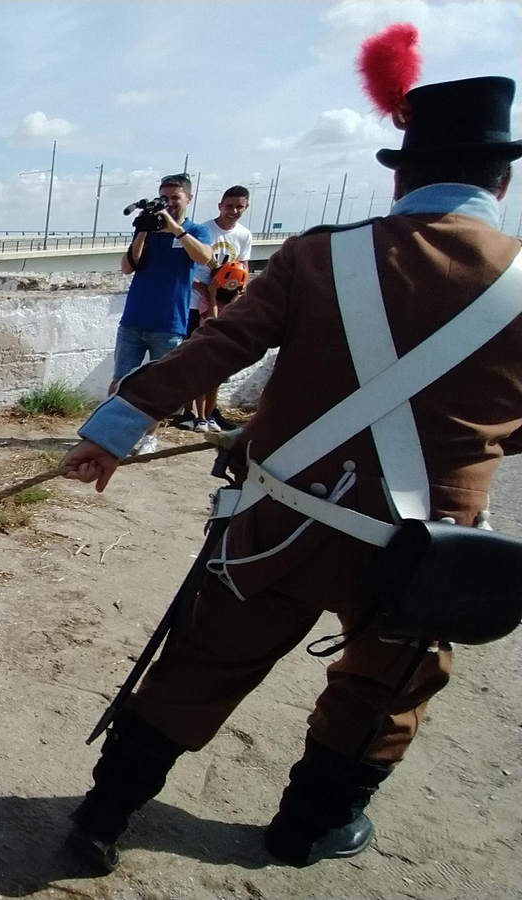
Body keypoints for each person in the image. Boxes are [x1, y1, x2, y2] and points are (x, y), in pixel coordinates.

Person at [58, 61, 522, 873]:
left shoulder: (318, 259)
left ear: (402, 175)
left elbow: (215, 347)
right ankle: (309, 829)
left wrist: (115, 431)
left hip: (285, 524)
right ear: (504, 180)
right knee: (386, 692)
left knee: (198, 663)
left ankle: (102, 817)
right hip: (426, 554)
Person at [113, 174, 214, 454]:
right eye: (164, 198)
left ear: (188, 199)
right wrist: (144, 231)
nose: (168, 204)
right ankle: (112, 433)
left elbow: (204, 257)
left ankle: (149, 438)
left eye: (175, 198)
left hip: (169, 322)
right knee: (121, 380)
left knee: (157, 385)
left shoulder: (196, 231)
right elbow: (127, 267)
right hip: (134, 318)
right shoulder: (149, 231)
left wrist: (174, 229)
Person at [186, 186, 254, 432]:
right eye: (229, 206)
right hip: (196, 303)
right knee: (192, 358)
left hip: (223, 303)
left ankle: (209, 413)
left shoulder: (244, 235)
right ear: (220, 205)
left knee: (215, 363)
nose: (233, 211)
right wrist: (206, 292)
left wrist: (238, 291)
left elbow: (243, 267)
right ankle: (189, 413)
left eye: (239, 206)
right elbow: (189, 269)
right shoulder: (205, 231)